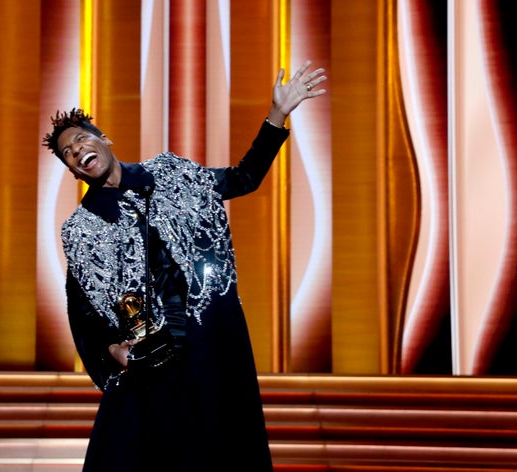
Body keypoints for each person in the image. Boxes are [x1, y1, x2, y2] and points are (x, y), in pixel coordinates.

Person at [43, 60, 326, 472]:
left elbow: (244, 178)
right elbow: (82, 308)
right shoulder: (81, 230)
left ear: (102, 138)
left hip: (212, 338)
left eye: (81, 140)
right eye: (68, 152)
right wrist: (111, 350)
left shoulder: (172, 174)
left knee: (221, 449)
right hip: (154, 358)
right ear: (71, 170)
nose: (77, 151)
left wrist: (277, 115)